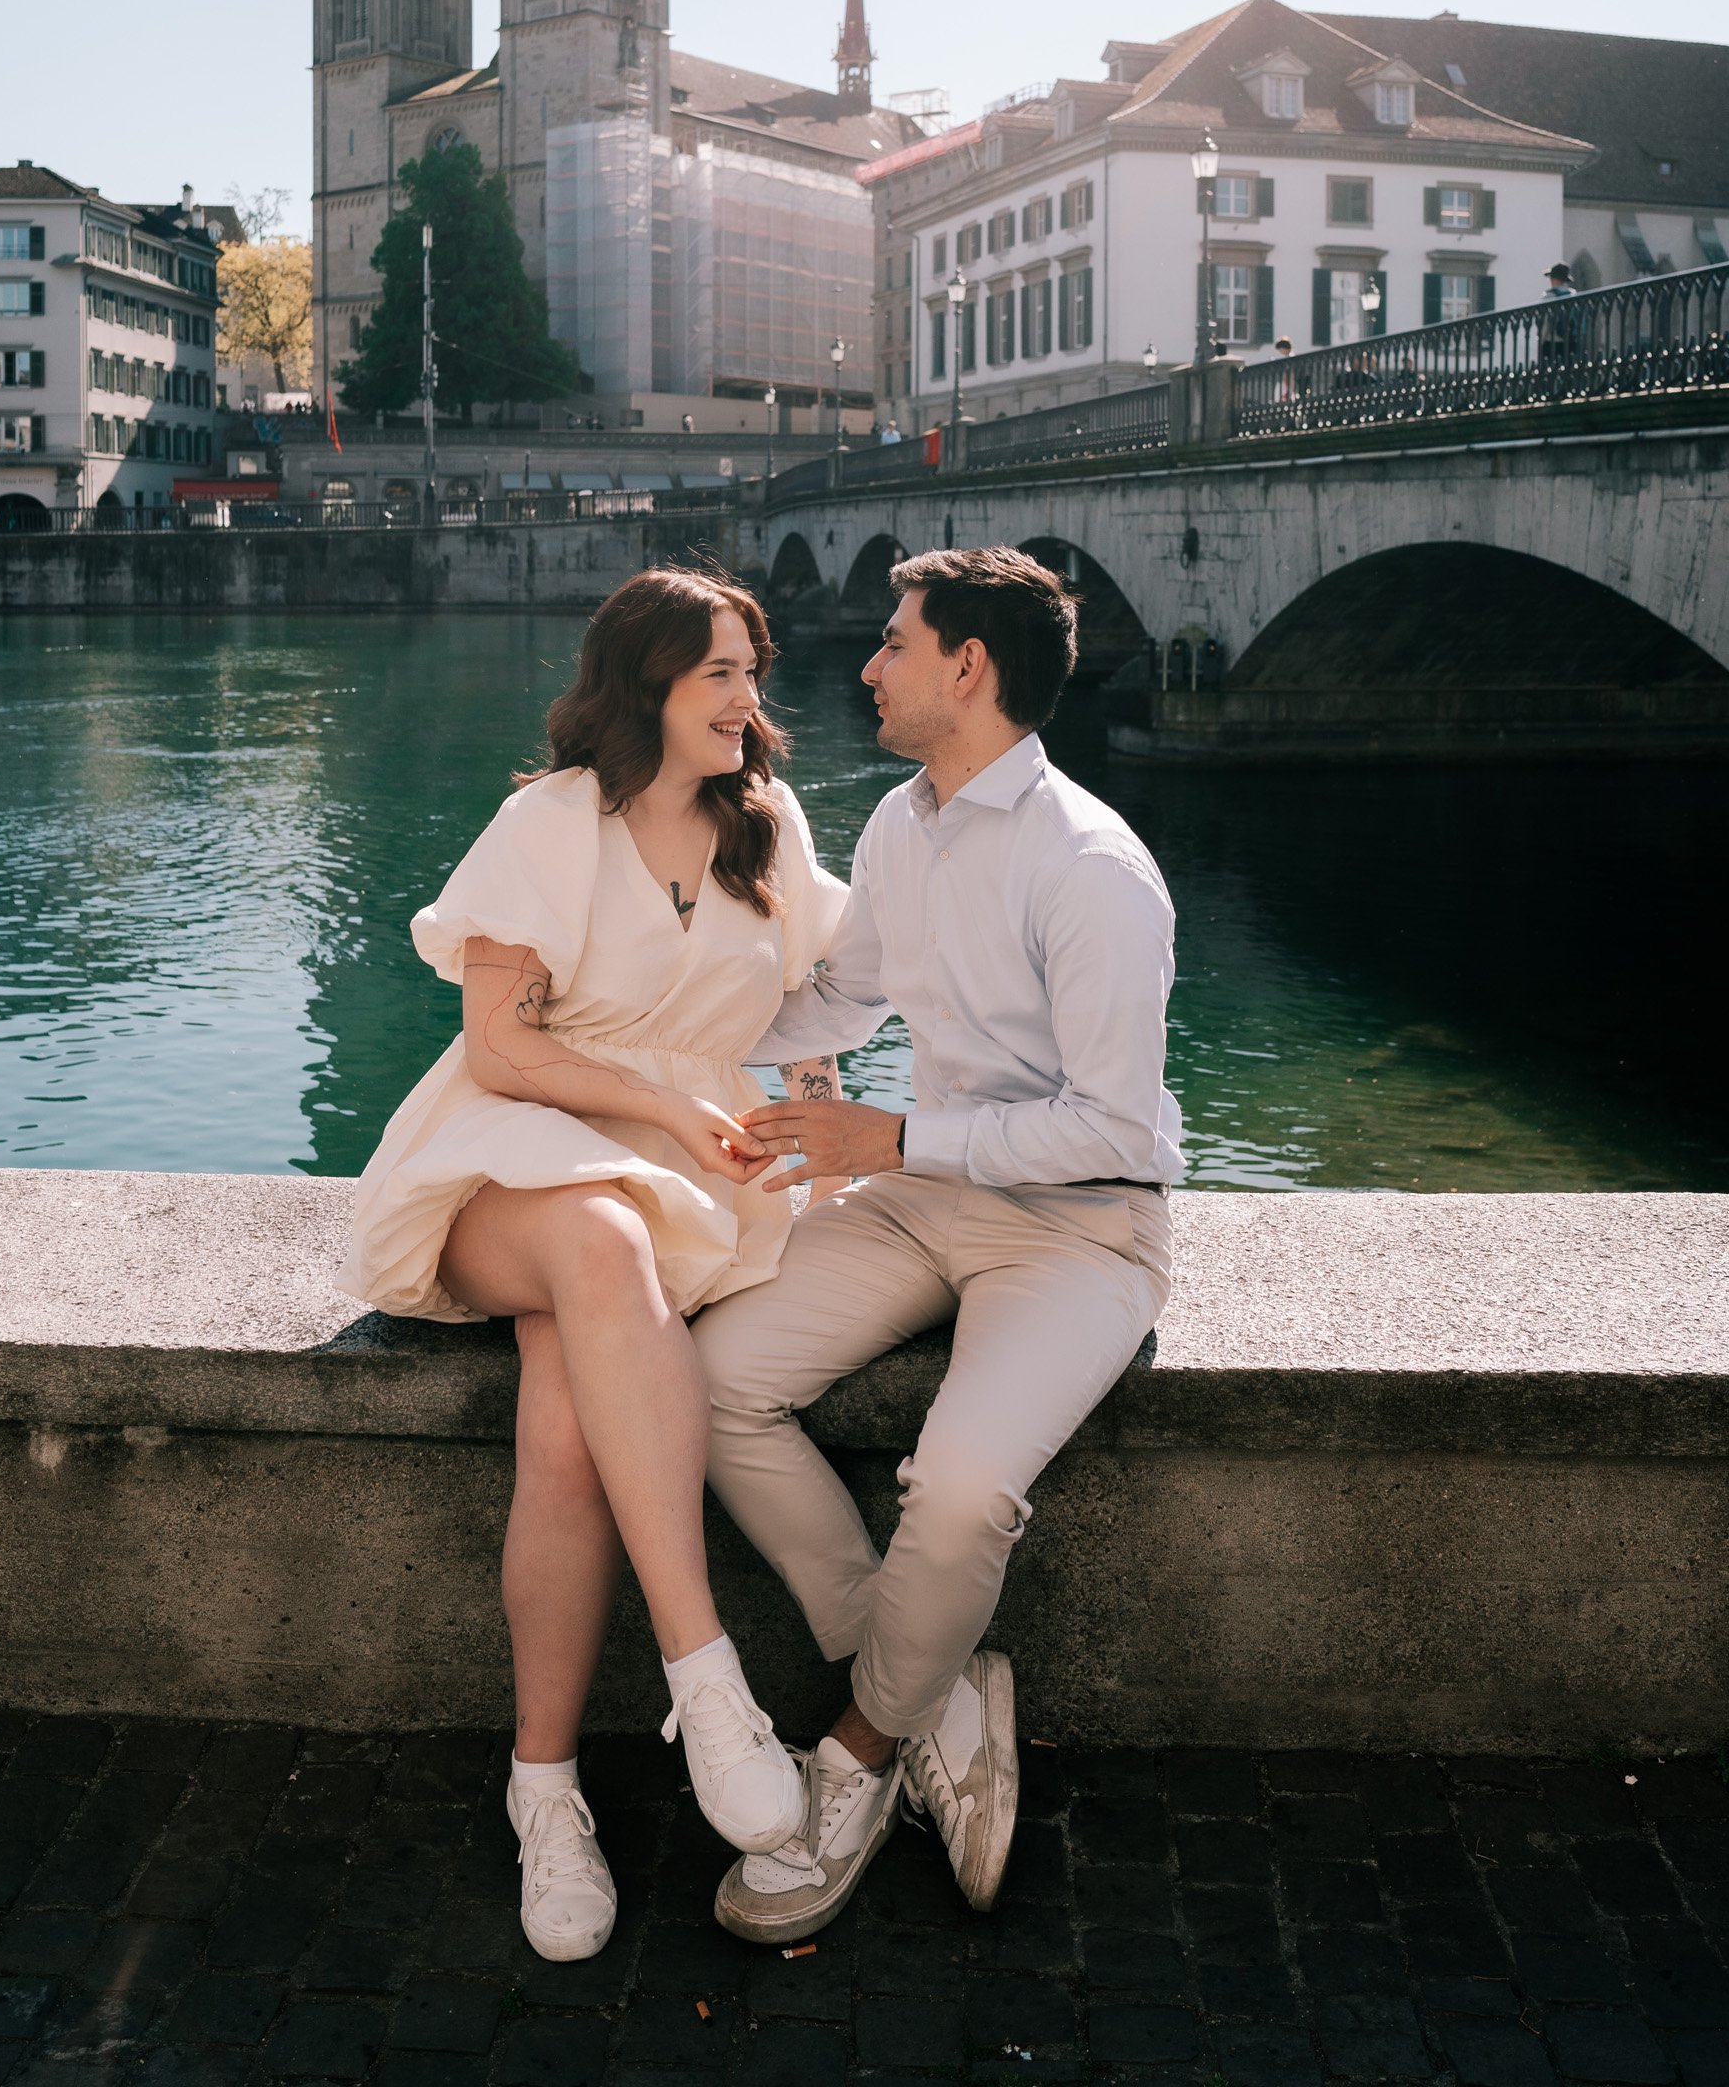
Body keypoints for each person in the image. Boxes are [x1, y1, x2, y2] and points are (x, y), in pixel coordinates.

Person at [343, 569, 850, 1965]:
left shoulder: (769, 827)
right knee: (599, 1230)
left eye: (752, 672)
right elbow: (503, 1049)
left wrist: (820, 1119)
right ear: (645, 690)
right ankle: (709, 1676)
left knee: (567, 1435)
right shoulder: (550, 823)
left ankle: (546, 1790)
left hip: (680, 1183)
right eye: (719, 678)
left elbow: (816, 996)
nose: (749, 703)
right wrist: (666, 1109)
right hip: (507, 1156)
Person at [695, 546, 1181, 1943]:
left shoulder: (1095, 868)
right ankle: (934, 1676)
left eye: (896, 644)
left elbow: (1110, 1128)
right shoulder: (906, 826)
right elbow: (845, 999)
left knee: (963, 1491)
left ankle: (849, 1755)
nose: (868, 665)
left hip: (1085, 1230)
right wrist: (643, 1034)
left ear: (969, 666)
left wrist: (897, 1144)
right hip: (927, 1191)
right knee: (715, 1384)